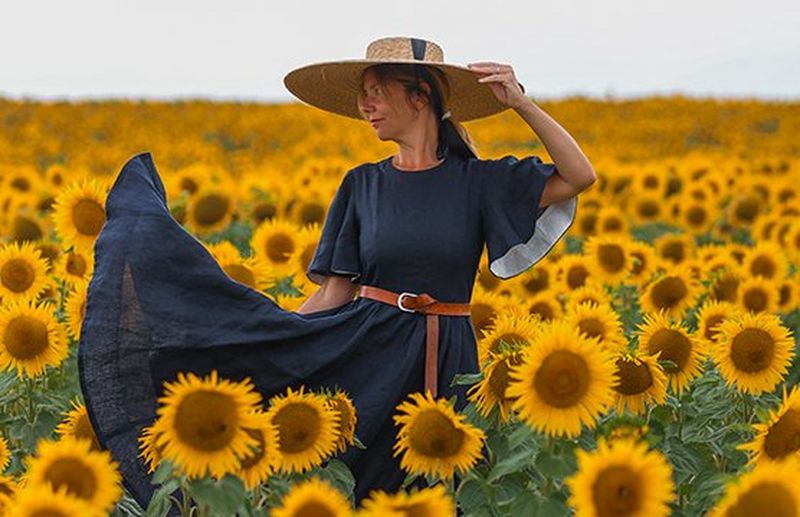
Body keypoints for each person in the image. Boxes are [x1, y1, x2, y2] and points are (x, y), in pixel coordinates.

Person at [78, 36, 593, 510]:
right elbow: (335, 293)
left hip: (447, 352)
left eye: (376, 93)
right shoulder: (362, 185)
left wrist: (521, 102)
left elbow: (578, 175)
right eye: (363, 94)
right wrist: (267, 336)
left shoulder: (479, 181)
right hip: (367, 358)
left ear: (419, 97)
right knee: (364, 485)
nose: (364, 106)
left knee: (444, 492)